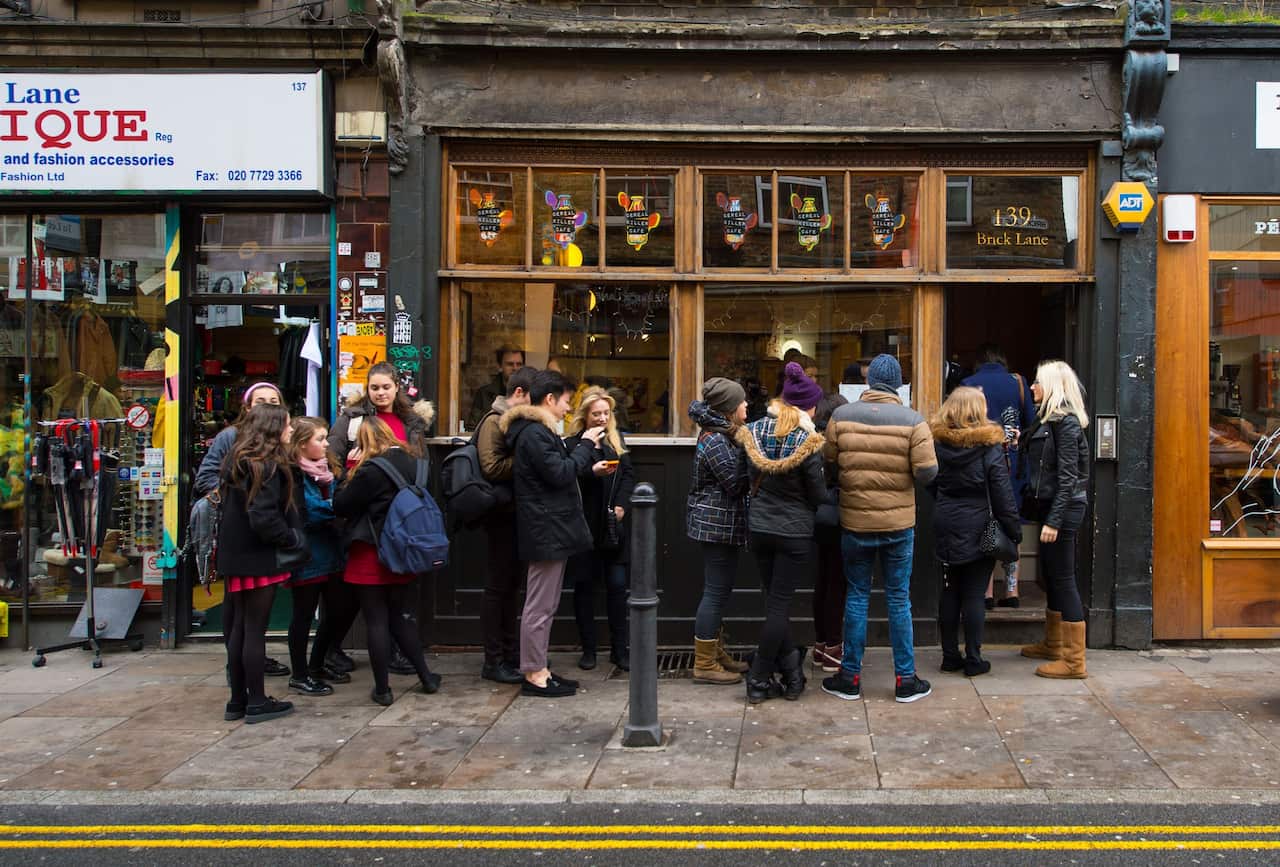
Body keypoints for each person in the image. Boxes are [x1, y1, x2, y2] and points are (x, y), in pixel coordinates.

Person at [822, 354, 938, 704]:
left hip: (855, 520)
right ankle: (905, 680)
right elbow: (928, 472)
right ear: (899, 384)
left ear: (869, 383)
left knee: (856, 596)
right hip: (898, 523)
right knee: (898, 598)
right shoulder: (913, 420)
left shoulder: (842, 416)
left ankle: (850, 676)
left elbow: (828, 463)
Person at [500, 369, 604, 698]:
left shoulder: (536, 433)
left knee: (546, 603)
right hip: (545, 529)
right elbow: (559, 474)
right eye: (565, 402)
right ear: (548, 400)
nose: (568, 409)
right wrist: (586, 445)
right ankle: (533, 673)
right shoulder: (535, 434)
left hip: (549, 527)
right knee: (540, 605)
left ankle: (539, 668)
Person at [327, 362, 436, 676]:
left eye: (386, 387)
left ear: (396, 388)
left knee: (396, 598)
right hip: (361, 518)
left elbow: (421, 463)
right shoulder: (352, 419)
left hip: (401, 518)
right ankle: (335, 650)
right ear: (367, 388)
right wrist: (350, 471)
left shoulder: (411, 420)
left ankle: (396, 656)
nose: (380, 393)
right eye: (374, 388)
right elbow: (333, 457)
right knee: (353, 596)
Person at [332, 417, 442, 705]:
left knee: (376, 620)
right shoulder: (415, 462)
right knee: (401, 618)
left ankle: (382, 689)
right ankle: (426, 677)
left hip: (372, 550)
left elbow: (341, 505)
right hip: (407, 549)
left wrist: (349, 472)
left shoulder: (370, 469)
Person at [737, 362, 828, 703]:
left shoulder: (755, 431)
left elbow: (743, 476)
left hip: (759, 528)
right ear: (807, 407)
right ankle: (759, 677)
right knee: (779, 606)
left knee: (774, 603)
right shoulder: (807, 441)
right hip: (794, 532)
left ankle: (791, 671)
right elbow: (818, 494)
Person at [194, 381, 291, 680]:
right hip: (241, 536)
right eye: (261, 401)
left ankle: (244, 674)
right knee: (239, 614)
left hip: (253, 538)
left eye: (273, 401)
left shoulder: (276, 444)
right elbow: (206, 479)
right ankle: (241, 672)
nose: (267, 406)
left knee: (249, 620)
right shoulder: (232, 439)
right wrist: (238, 499)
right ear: (247, 407)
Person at [216, 405, 306, 725]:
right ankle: (256, 700)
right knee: (255, 630)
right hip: (257, 557)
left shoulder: (236, 461)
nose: (291, 430)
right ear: (272, 429)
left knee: (239, 628)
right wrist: (290, 539)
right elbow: (263, 517)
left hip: (234, 556)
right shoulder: (266, 467)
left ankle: (237, 700)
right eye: (286, 425)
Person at [929, 387, 1020, 677]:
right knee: (974, 592)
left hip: (945, 518)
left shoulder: (936, 443)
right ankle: (974, 658)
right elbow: (1002, 492)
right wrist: (1013, 529)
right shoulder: (988, 446)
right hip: (979, 522)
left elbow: (929, 479)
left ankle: (949, 656)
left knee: (949, 589)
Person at [1019, 360, 1091, 679]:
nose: (1032, 387)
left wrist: (1054, 521)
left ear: (1052, 387)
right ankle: (1054, 643)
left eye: (1037, 382)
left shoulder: (1066, 423)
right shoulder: (1046, 420)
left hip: (1062, 510)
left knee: (1063, 578)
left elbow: (1068, 478)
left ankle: (1074, 662)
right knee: (1051, 574)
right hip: (1052, 508)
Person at [473, 365, 538, 685]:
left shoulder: (514, 422)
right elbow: (491, 465)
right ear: (519, 394)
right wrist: (528, 460)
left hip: (515, 514)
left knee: (512, 588)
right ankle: (493, 658)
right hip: (499, 515)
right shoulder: (493, 421)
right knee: (498, 588)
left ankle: (510, 653)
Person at [565, 387, 636, 672]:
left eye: (606, 413)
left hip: (612, 528)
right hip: (584, 527)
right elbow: (567, 477)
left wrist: (622, 505)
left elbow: (629, 476)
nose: (602, 418)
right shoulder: (573, 444)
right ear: (584, 416)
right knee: (584, 588)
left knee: (618, 588)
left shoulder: (616, 443)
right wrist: (590, 472)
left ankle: (620, 650)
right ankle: (589, 650)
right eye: (596, 414)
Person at [686, 378, 751, 685]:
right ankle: (704, 662)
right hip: (715, 526)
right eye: (742, 402)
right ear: (729, 409)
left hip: (720, 525)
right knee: (714, 593)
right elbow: (735, 483)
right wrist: (747, 450)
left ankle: (716, 651)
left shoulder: (722, 434)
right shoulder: (715, 439)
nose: (747, 406)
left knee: (720, 591)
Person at [962, 344, 1036, 609]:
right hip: (1012, 465)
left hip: (979, 462)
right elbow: (1030, 423)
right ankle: (1012, 589)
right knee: (1010, 523)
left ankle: (987, 591)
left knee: (986, 522)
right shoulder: (1018, 383)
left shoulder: (968, 383)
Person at [284, 416, 345, 697]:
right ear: (301, 444)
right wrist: (338, 505)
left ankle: (317, 663)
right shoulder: (292, 473)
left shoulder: (325, 469)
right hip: (307, 554)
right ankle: (299, 674)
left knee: (335, 611)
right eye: (319, 439)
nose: (325, 444)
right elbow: (308, 510)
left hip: (331, 550)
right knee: (303, 614)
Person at [811, 394, 847, 674]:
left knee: (822, 580)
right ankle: (834, 648)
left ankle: (821, 644)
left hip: (817, 516)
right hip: (839, 516)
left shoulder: (812, 439)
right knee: (837, 584)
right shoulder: (838, 443)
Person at [467, 346, 525, 430]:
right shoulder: (484, 394)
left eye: (519, 364)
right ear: (500, 366)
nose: (515, 368)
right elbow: (472, 428)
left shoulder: (528, 394)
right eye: (510, 364)